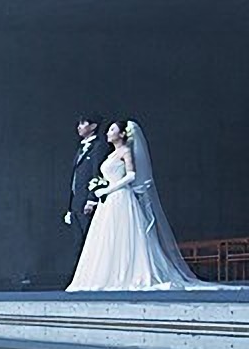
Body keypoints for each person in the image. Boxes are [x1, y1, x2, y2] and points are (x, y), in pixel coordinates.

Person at [66, 119, 222, 290]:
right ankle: (108, 274)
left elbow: (131, 175)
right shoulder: (110, 155)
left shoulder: (125, 151)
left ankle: (128, 274)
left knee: (125, 235)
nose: (108, 133)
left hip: (120, 197)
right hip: (108, 201)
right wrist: (100, 186)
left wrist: (108, 189)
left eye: (112, 130)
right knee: (107, 237)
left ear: (122, 134)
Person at [64, 117, 105, 255]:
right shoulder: (81, 147)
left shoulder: (98, 147)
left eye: (83, 123)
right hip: (76, 202)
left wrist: (92, 199)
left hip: (86, 202)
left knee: (89, 240)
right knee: (78, 242)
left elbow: (97, 174)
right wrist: (70, 207)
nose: (79, 126)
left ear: (93, 126)